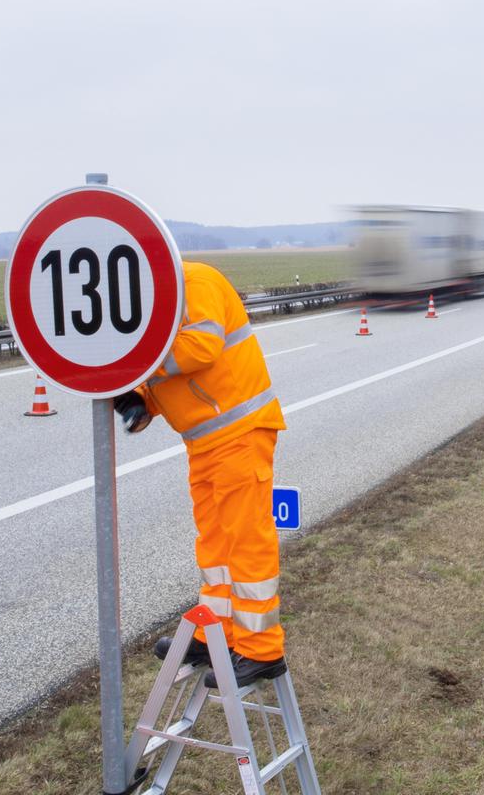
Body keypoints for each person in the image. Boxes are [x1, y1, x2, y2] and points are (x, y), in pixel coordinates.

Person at [114, 261, 287, 688]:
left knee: (245, 541)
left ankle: (261, 650)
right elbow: (170, 370)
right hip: (206, 443)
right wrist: (139, 399)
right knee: (215, 547)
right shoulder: (153, 300)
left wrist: (135, 368)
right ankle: (217, 634)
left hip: (240, 433)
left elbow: (199, 348)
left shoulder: (194, 282)